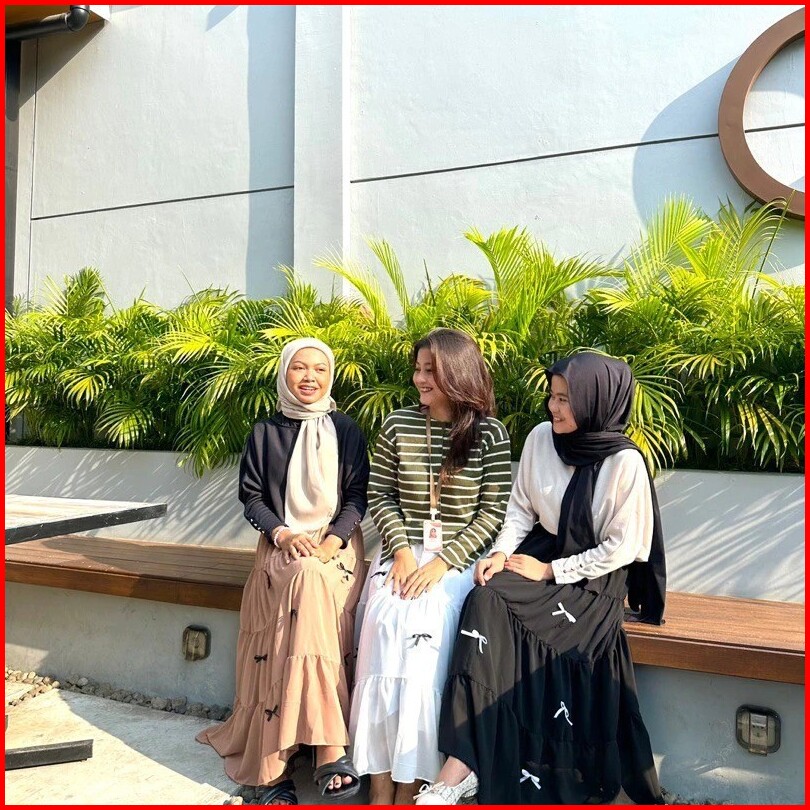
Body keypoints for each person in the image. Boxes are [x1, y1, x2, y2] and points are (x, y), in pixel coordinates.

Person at [416, 351, 666, 805]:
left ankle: (521, 763)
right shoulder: (539, 438)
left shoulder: (624, 463)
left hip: (593, 575)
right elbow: (520, 510)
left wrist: (552, 571)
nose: (553, 407)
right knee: (486, 596)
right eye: (552, 396)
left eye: (565, 399)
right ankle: (463, 762)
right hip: (543, 551)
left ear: (595, 401)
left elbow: (623, 548)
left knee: (540, 626)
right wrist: (499, 554)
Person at [197, 337, 370, 805]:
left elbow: (357, 497)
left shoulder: (346, 430)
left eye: (319, 368)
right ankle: (329, 749)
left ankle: (277, 767)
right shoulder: (265, 432)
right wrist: (284, 535)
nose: (310, 377)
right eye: (299, 368)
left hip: (336, 547)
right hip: (281, 546)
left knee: (312, 578)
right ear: (284, 374)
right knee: (305, 579)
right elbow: (252, 497)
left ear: (330, 376)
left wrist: (332, 541)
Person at [350, 328, 512, 805]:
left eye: (431, 371)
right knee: (384, 622)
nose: (420, 379)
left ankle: (414, 782)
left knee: (426, 632)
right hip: (402, 550)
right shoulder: (398, 424)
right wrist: (402, 551)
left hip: (458, 558)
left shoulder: (490, 434)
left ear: (457, 376)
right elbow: (380, 494)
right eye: (418, 369)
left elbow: (492, 513)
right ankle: (381, 782)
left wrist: (443, 563)